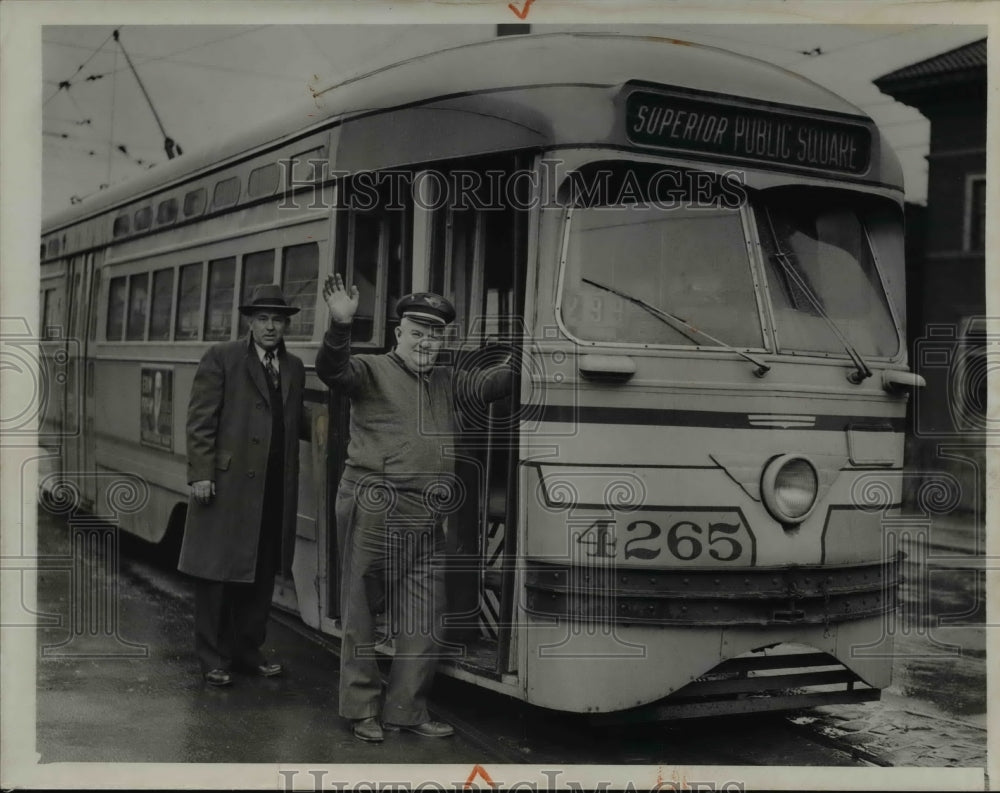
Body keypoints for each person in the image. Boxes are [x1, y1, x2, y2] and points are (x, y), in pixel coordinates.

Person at [317, 274, 512, 742]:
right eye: (418, 332)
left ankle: (406, 709)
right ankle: (362, 707)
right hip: (375, 503)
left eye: (436, 334)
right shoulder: (370, 370)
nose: (427, 341)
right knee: (361, 609)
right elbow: (332, 369)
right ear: (398, 333)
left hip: (428, 512)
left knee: (424, 616)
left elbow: (489, 385)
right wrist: (340, 325)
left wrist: (527, 357)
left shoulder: (446, 379)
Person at [178, 284, 305, 687]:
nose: (271, 327)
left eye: (278, 321)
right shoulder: (223, 357)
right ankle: (213, 657)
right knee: (216, 574)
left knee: (260, 571)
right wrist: (200, 473)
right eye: (264, 319)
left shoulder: (294, 367)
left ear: (286, 326)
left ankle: (247, 651)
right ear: (250, 322)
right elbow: (201, 420)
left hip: (271, 487)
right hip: (227, 484)